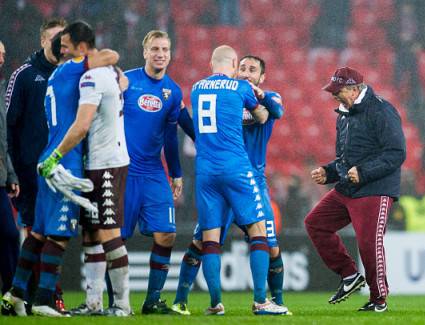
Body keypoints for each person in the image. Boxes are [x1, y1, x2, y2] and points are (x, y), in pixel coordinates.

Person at [1, 23, 120, 317]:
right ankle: (42, 300)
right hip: (63, 162)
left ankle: (16, 293)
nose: (63, 49)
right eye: (63, 45)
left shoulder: (54, 76)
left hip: (46, 157)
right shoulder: (71, 70)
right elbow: (112, 56)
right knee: (58, 236)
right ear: (81, 49)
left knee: (38, 233)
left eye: (65, 44)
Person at [171, 55, 290, 315]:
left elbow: (277, 111)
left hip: (252, 180)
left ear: (262, 77)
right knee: (200, 241)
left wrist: (259, 94)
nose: (247, 73)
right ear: (235, 70)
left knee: (271, 244)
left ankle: (278, 300)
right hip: (233, 175)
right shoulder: (231, 96)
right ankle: (181, 298)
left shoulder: (269, 96)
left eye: (253, 70)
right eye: (243, 68)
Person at [38, 20, 131, 317]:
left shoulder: (91, 78)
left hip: (106, 164)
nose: (61, 51)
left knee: (108, 231)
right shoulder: (104, 73)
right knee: (91, 233)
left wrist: (55, 156)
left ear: (81, 47)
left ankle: (122, 305)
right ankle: (94, 303)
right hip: (95, 163)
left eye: (65, 45)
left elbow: (80, 127)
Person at [304, 67, 406, 312]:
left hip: (375, 188)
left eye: (337, 92)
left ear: (354, 89)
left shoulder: (381, 110)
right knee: (315, 223)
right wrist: (328, 172)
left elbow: (396, 153)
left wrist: (364, 172)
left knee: (368, 243)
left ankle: (378, 298)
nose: (333, 96)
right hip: (348, 188)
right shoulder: (344, 114)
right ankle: (349, 275)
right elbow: (345, 158)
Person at [118, 29, 184, 315]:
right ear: (145, 52)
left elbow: (171, 137)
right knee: (116, 239)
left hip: (154, 173)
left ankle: (152, 300)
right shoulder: (126, 81)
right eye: (155, 48)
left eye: (165, 49)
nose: (160, 54)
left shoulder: (173, 91)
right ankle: (117, 301)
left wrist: (177, 173)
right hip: (123, 171)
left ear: (170, 54)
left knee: (166, 234)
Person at [5, 18, 67, 312]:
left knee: (56, 235)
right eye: (54, 38)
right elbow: (7, 127)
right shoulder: (24, 75)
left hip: (62, 173)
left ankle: (41, 296)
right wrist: (13, 171)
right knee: (34, 235)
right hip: (30, 173)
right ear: (43, 40)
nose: (59, 44)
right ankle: (32, 295)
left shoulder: (71, 75)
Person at [0, 40, 21, 298]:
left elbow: (2, 138)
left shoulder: (2, 87)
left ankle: (12, 292)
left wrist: (11, 174)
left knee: (8, 233)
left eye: (3, 55)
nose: (2, 59)